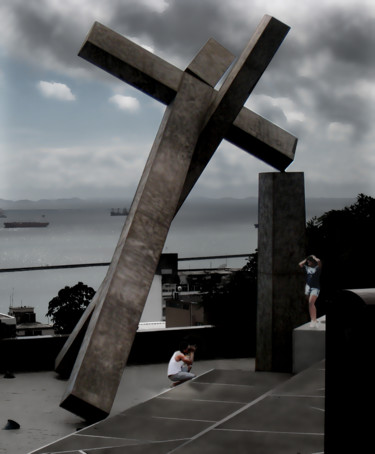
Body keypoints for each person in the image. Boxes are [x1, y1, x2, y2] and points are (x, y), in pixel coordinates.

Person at [299, 255, 322, 327]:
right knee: (310, 304)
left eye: (310, 260)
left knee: (311, 302)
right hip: (308, 288)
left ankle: (313, 320)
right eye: (308, 261)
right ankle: (313, 318)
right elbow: (300, 264)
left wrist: (314, 257)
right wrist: (306, 259)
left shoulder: (317, 268)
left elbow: (319, 262)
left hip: (315, 288)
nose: (308, 262)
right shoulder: (307, 268)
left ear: (313, 262)